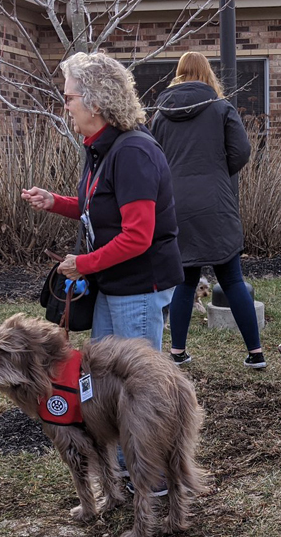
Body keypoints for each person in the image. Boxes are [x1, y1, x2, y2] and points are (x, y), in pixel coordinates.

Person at [22, 52, 182, 353]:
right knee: (105, 373)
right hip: (112, 280)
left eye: (69, 97)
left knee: (137, 383)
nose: (66, 105)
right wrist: (54, 201)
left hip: (138, 286)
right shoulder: (103, 147)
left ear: (95, 103)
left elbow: (137, 237)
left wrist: (82, 264)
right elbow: (101, 206)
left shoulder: (134, 153)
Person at [149, 51, 263, 369]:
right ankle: (255, 353)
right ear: (207, 74)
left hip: (176, 207)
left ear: (179, 74)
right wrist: (217, 171)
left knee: (184, 281)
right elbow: (241, 151)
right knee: (232, 279)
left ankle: (177, 353)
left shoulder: (159, 115)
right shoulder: (220, 108)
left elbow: (154, 160)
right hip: (216, 203)